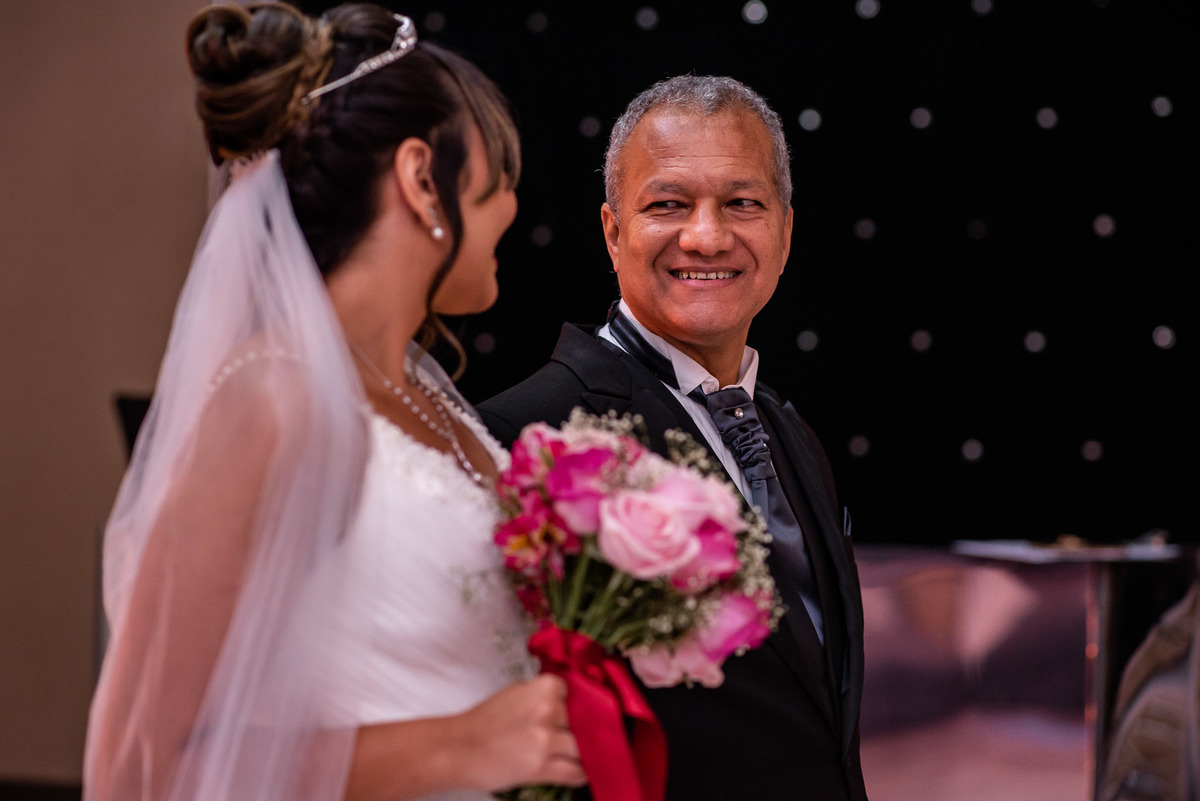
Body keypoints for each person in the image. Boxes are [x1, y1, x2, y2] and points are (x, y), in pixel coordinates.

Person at [83, 5, 586, 800]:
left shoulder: (424, 390)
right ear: (423, 178)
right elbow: (145, 763)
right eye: (498, 181)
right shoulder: (272, 400)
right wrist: (460, 746)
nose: (514, 210)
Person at [479, 76, 869, 800]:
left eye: (742, 203)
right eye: (668, 204)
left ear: (785, 232)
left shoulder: (792, 433)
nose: (707, 235)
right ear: (612, 230)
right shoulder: (527, 435)